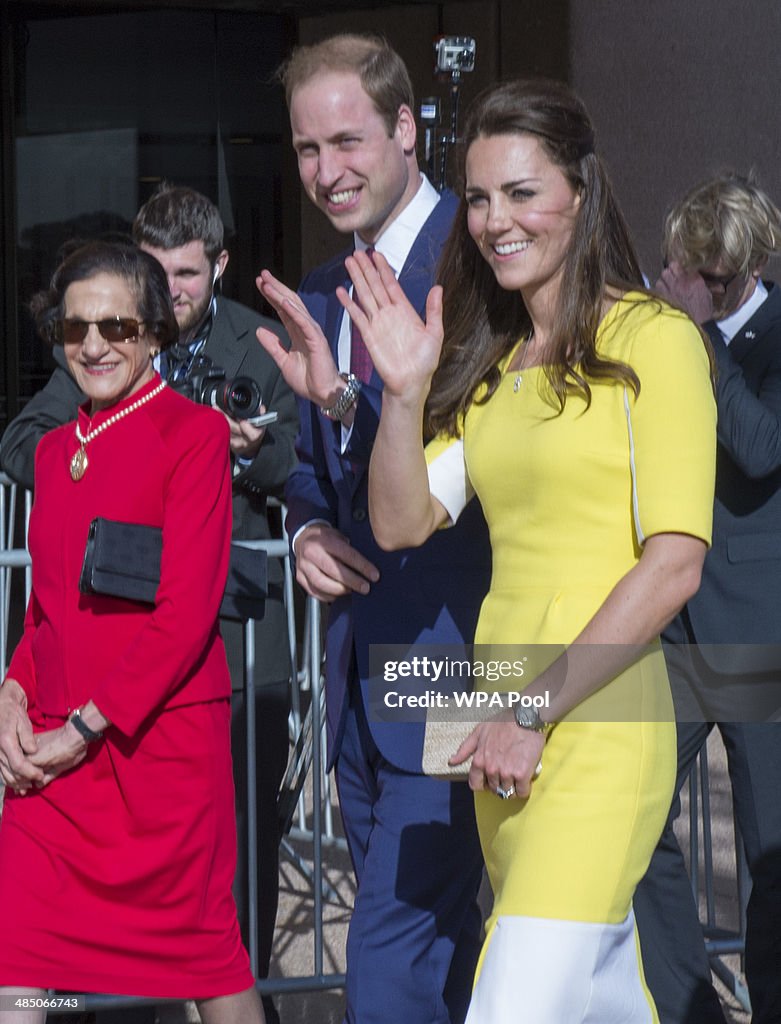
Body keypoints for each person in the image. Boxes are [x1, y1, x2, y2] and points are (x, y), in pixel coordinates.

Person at [266, 78, 717, 1022]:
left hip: (589, 724)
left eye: (521, 193)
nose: (493, 221)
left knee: (510, 1001)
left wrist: (530, 711)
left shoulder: (655, 339)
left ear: (581, 194)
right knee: (592, 1000)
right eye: (476, 197)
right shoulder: (491, 364)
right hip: (497, 726)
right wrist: (398, 391)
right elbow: (395, 522)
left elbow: (672, 563)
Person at [0, 185, 298, 1024]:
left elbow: (184, 614)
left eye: (118, 327)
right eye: (75, 328)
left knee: (204, 963)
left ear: (154, 331)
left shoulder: (192, 435)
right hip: (54, 764)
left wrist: (83, 728)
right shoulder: (56, 452)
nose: (94, 346)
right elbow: (43, 610)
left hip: (155, 752)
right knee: (16, 951)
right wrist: (12, 693)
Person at [257, 34, 490, 1024]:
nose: (325, 172)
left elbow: (467, 470)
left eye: (346, 141)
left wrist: (356, 404)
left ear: (405, 128)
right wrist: (306, 530)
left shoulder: (485, 263)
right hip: (359, 677)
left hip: (466, 658)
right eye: (307, 150)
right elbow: (314, 476)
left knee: (386, 965)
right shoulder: (319, 290)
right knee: (437, 953)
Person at [633, 173, 781, 1024]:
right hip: (673, 635)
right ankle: (691, 1005)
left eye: (680, 268)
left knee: (771, 855)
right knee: (634, 819)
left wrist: (700, 339)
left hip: (756, 642)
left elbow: (761, 448)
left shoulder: (763, 336)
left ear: (723, 277)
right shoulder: (659, 335)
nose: (663, 278)